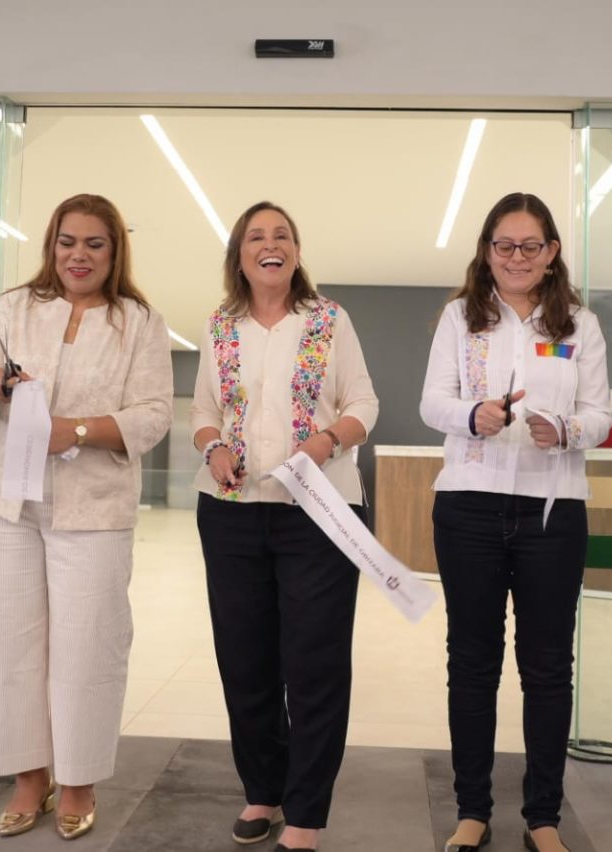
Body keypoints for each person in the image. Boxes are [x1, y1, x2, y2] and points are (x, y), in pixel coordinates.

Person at [0, 194, 174, 840]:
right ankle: (30, 777)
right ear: (52, 246)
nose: (79, 255)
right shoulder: (15, 307)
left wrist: (76, 429)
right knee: (11, 644)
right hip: (8, 502)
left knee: (87, 647)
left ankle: (78, 780)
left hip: (93, 508)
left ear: (114, 252)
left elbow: (155, 414)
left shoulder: (139, 321)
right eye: (67, 242)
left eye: (94, 244)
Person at [419, 192, 612, 852]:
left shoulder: (580, 325)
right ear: (487, 251)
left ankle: (543, 818)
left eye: (531, 246)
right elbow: (432, 402)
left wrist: (566, 429)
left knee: (548, 668)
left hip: (552, 511)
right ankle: (472, 811)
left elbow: (600, 415)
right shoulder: (460, 318)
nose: (517, 257)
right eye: (504, 245)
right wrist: (471, 415)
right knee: (473, 664)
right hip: (468, 506)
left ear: (552, 253)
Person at [191, 200, 379, 852]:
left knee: (314, 664)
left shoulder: (328, 319)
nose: (269, 245)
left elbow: (364, 402)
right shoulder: (220, 325)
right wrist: (212, 445)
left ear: (295, 253)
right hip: (232, 511)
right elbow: (203, 411)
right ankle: (263, 791)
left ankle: (305, 814)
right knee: (245, 661)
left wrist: (326, 441)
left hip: (319, 512)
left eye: (281, 236)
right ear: (239, 256)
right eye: (256, 237)